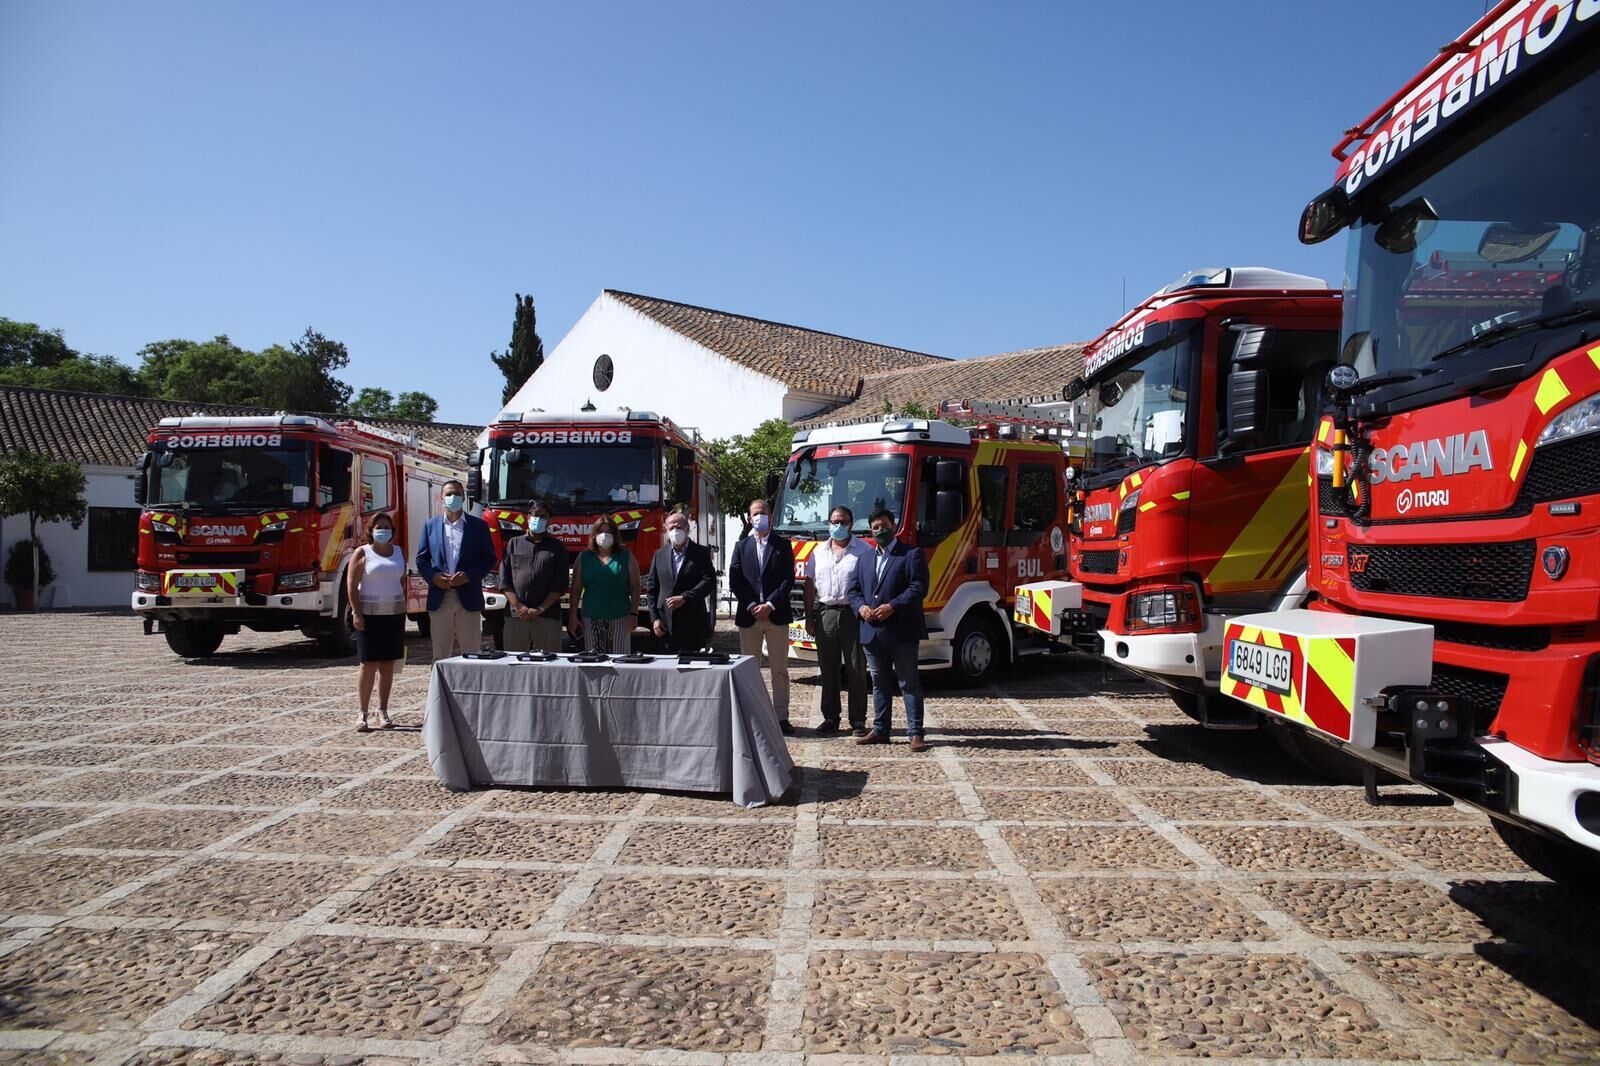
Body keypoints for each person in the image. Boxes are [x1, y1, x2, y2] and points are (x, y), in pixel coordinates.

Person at [847, 507, 930, 751]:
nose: (880, 530)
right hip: (872, 632)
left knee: (908, 683)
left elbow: (918, 587)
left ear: (893, 526)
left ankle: (916, 732)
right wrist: (860, 607)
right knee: (879, 683)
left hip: (902, 631)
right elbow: (853, 590)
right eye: (875, 527)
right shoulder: (865, 558)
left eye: (884, 526)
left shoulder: (911, 554)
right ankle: (881, 730)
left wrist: (893, 606)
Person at [804, 504, 873, 736]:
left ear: (851, 524)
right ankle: (831, 718)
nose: (838, 526)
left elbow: (869, 585)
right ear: (828, 524)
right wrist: (809, 617)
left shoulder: (864, 551)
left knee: (856, 669)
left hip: (852, 614)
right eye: (834, 522)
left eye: (843, 522)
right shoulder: (817, 552)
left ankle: (858, 720)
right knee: (828, 669)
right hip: (825, 614)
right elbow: (809, 585)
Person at [729, 498, 795, 734]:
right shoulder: (741, 546)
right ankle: (752, 716)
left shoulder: (783, 545)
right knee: (749, 669)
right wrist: (751, 605)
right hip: (749, 617)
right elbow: (735, 580)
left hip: (776, 615)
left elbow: (788, 580)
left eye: (764, 513)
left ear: (771, 516)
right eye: (756, 513)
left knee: (779, 669)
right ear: (749, 518)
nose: (760, 517)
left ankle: (781, 718)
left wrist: (769, 604)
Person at [416, 479, 496, 661]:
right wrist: (433, 577)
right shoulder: (430, 526)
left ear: (464, 497)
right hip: (440, 597)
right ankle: (440, 689)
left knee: (472, 653)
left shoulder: (478, 526)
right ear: (442, 498)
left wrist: (469, 576)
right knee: (440, 654)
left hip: (468, 598)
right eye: (449, 494)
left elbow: (489, 558)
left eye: (457, 494)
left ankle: (471, 689)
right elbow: (421, 559)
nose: (453, 498)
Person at [347, 513, 405, 731]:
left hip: (393, 614)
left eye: (387, 527)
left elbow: (401, 580)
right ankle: (362, 712)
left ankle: (383, 710)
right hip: (369, 616)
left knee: (387, 665)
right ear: (371, 530)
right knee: (368, 664)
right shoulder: (362, 553)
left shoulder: (399, 552)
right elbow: (351, 586)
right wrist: (356, 612)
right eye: (379, 527)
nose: (383, 530)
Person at [501, 501, 570, 653]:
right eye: (535, 515)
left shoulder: (557, 548)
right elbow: (504, 580)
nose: (538, 519)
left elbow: (560, 585)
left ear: (549, 521)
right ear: (528, 517)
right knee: (514, 663)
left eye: (543, 516)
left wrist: (540, 609)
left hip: (547, 616)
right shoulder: (513, 544)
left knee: (548, 666)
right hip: (516, 616)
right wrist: (519, 607)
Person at [645, 509, 716, 653]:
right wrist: (655, 619)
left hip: (692, 622)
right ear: (666, 529)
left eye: (679, 527)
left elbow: (709, 581)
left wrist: (685, 597)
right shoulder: (659, 555)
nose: (675, 531)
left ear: (687, 528)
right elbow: (652, 588)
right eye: (671, 527)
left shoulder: (701, 553)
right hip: (665, 625)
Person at [567, 515, 640, 653]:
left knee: (620, 660)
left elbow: (635, 587)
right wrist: (572, 616)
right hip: (591, 616)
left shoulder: (627, 556)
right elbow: (576, 589)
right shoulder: (584, 557)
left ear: (615, 536)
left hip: (621, 616)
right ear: (594, 535)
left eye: (609, 532)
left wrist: (634, 614)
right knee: (594, 660)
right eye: (601, 532)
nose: (604, 536)